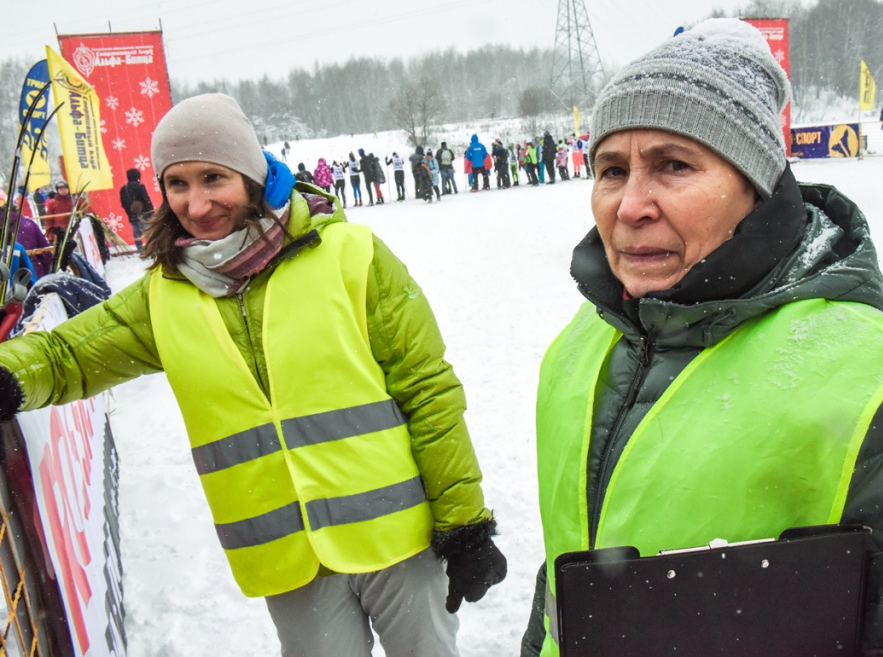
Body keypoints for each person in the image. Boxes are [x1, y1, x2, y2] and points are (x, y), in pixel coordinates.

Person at [521, 19, 883, 656]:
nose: (630, 205)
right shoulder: (579, 349)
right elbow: (565, 577)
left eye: (674, 165)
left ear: (755, 189)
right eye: (612, 170)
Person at [0, 93, 506, 656]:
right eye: (178, 184)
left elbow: (427, 388)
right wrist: (10, 375)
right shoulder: (162, 298)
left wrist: (464, 524)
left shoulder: (350, 255)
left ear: (252, 173)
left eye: (214, 177)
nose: (196, 204)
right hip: (286, 560)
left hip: (398, 539)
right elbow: (66, 355)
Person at [2, 189, 52, 277]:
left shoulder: (27, 223)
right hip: (33, 276)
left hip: (6, 281)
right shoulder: (28, 223)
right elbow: (46, 255)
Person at [119, 168, 156, 250]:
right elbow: (146, 200)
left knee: (137, 234)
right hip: (144, 215)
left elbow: (123, 204)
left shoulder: (123, 189)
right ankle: (152, 249)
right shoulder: (140, 187)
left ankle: (140, 250)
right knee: (149, 233)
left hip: (132, 216)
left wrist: (130, 212)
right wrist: (151, 212)